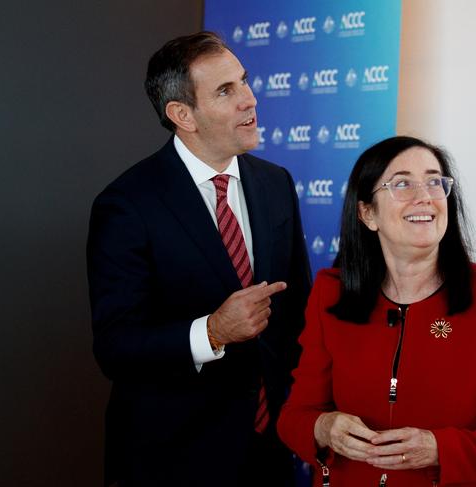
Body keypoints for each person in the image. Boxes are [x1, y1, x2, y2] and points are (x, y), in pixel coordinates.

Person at [86, 31, 312, 487]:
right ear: (181, 114)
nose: (250, 99)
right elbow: (116, 346)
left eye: (244, 82)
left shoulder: (276, 183)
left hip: (270, 450)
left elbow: (297, 312)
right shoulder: (127, 204)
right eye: (226, 91)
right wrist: (211, 331)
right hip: (175, 457)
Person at [277, 135, 476, 486]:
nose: (425, 196)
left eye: (435, 181)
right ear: (367, 213)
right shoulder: (331, 293)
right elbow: (294, 417)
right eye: (402, 183)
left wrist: (440, 448)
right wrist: (323, 427)